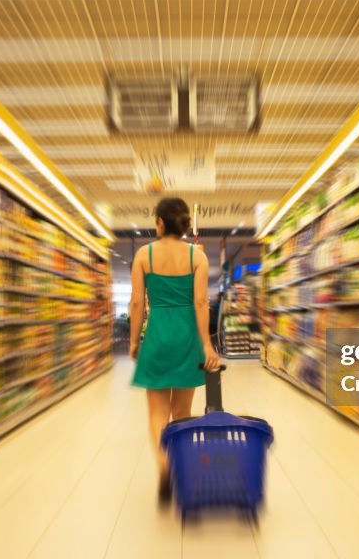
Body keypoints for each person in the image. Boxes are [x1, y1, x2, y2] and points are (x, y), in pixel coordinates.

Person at [129, 197, 220, 503]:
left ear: (159, 222)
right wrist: (207, 344)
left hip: (156, 335)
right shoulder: (198, 257)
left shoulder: (144, 255)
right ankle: (179, 466)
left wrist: (132, 342)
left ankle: (164, 465)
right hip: (187, 337)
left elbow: (137, 304)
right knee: (181, 413)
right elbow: (201, 302)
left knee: (157, 413)